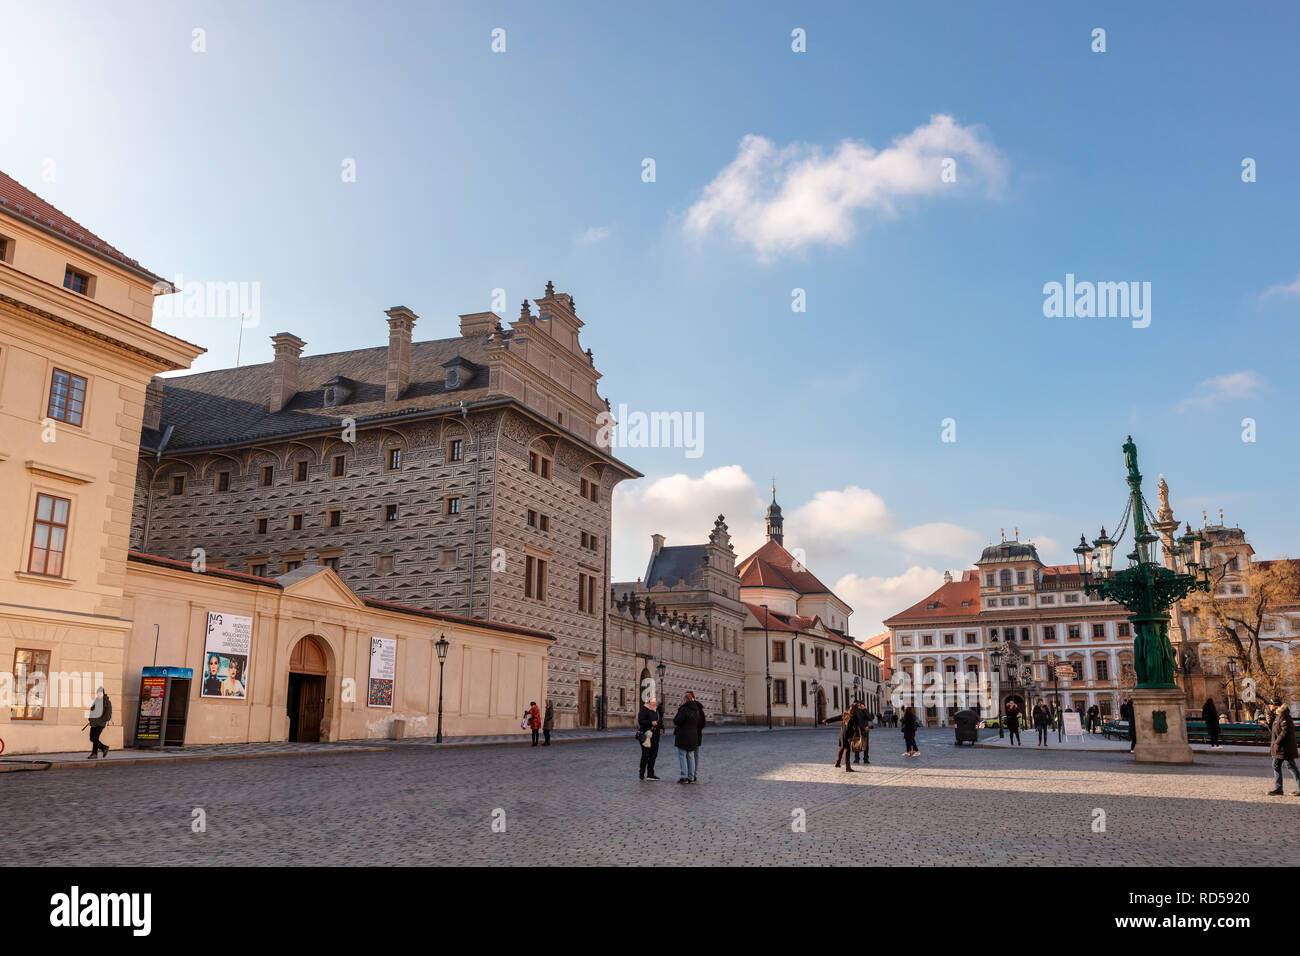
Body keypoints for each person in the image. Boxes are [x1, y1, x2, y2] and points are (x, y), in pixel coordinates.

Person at [1265, 696, 1300, 796]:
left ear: (1275, 705)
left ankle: (1279, 788)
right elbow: (1275, 731)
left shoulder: (1283, 715)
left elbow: (1285, 731)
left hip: (1285, 747)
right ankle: (1278, 788)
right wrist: (1269, 723)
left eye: (1270, 704)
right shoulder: (1278, 715)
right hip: (1281, 747)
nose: (1269, 706)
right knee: (1276, 765)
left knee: (1290, 766)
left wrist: (1276, 742)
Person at [673, 692, 704, 783]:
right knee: (691, 756)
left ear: (685, 700)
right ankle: (691, 777)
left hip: (683, 735)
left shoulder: (684, 709)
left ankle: (684, 777)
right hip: (693, 736)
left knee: (682, 755)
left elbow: (678, 721)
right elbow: (699, 723)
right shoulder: (696, 710)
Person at [823, 706, 858, 772]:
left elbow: (835, 718)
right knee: (847, 751)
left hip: (842, 734)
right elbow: (855, 728)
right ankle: (848, 767)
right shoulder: (854, 717)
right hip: (849, 735)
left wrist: (827, 720)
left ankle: (838, 763)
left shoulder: (844, 715)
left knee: (841, 748)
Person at [637, 697, 663, 780]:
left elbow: (660, 721)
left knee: (653, 754)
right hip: (646, 735)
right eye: (653, 702)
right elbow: (641, 721)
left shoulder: (657, 710)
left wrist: (662, 728)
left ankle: (650, 773)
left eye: (655, 702)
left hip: (655, 735)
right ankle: (641, 772)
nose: (655, 703)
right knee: (646, 754)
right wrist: (650, 723)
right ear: (649, 702)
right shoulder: (644, 709)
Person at [87, 686, 112, 759]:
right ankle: (104, 748)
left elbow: (108, 715)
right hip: (94, 723)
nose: (98, 694)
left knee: (95, 738)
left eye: (100, 693)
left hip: (100, 723)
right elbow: (92, 710)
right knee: (92, 738)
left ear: (103, 693)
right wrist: (90, 718)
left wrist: (100, 720)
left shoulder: (107, 702)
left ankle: (94, 754)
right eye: (97, 693)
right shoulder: (96, 701)